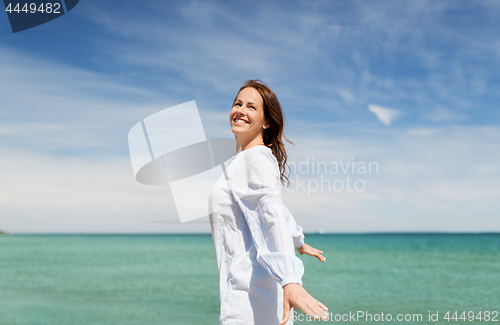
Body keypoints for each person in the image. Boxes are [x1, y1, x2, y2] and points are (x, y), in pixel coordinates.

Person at [208, 79, 328, 324]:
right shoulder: (244, 160)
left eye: (251, 107)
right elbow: (275, 209)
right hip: (254, 296)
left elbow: (270, 211)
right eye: (238, 103)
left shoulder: (256, 158)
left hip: (251, 301)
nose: (241, 110)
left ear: (266, 121)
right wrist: (298, 241)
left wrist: (290, 279)